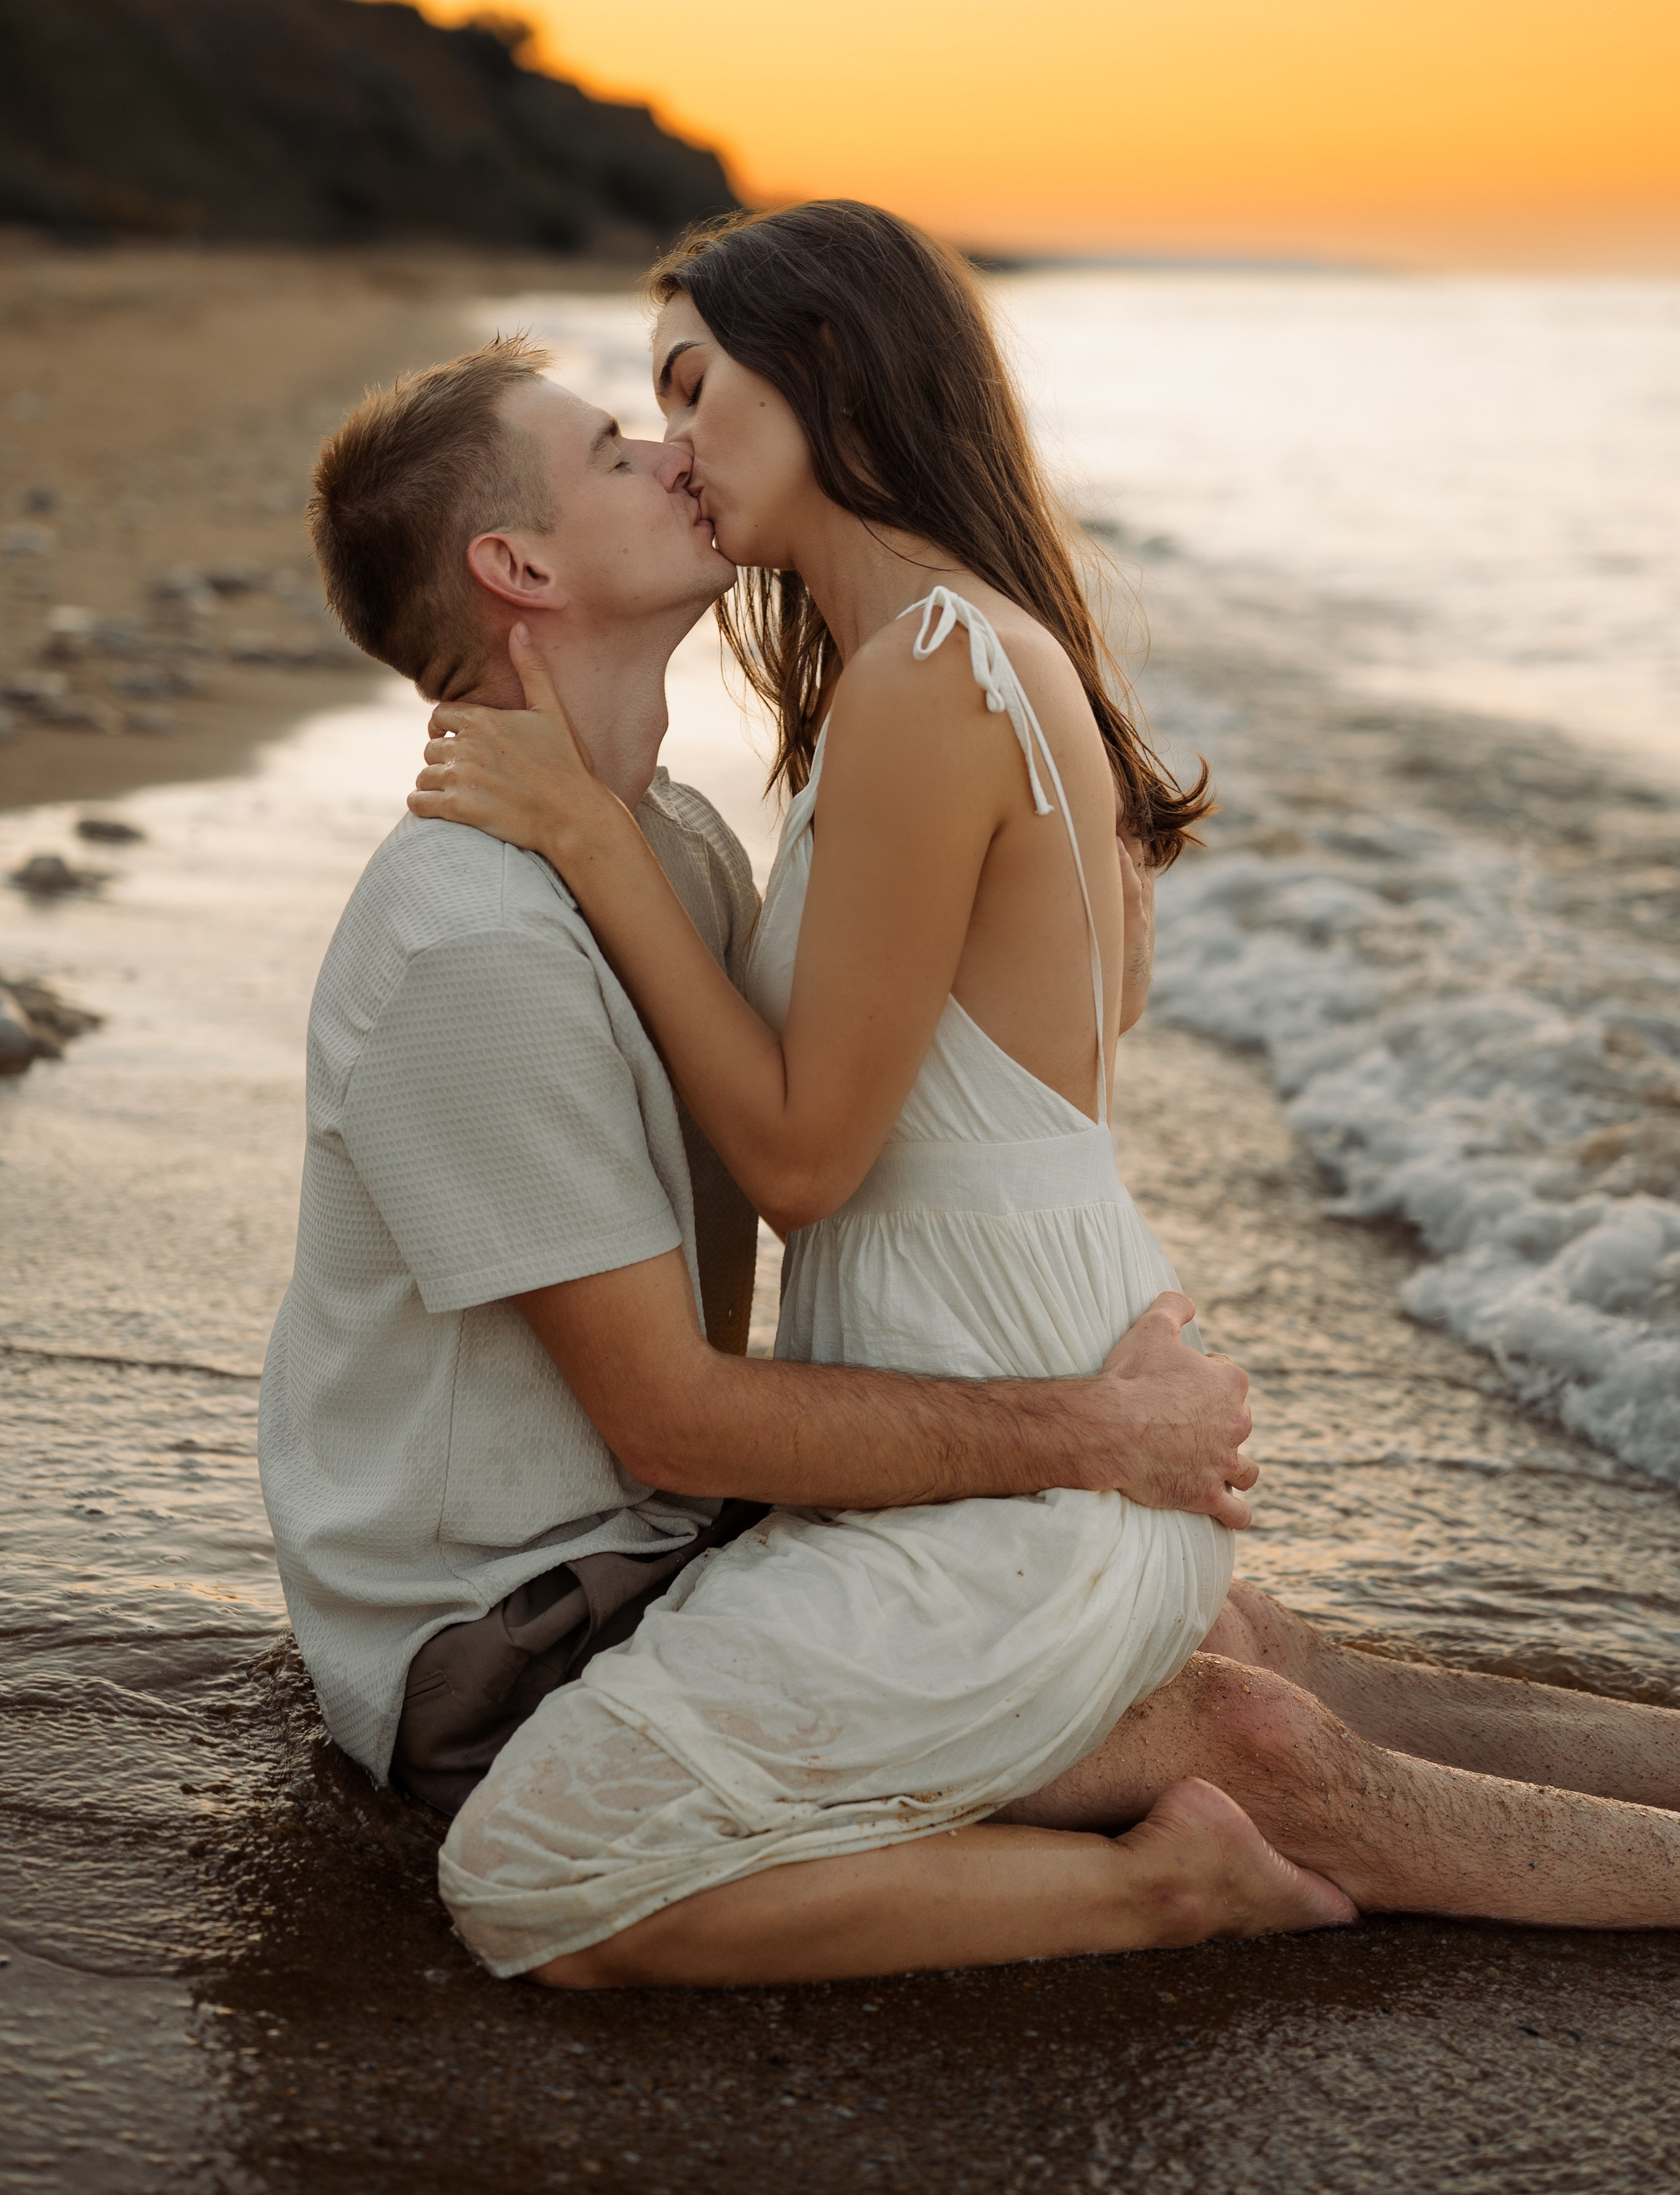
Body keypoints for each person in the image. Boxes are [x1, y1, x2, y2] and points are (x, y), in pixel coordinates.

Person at [413, 199, 1680, 1987]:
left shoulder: (937, 674)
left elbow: (801, 1159)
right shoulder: (956, 657)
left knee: (537, 1877)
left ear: (831, 364)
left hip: (1013, 1488)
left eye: (696, 390)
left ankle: (1177, 1880)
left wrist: (583, 834)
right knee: (1268, 1686)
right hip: (1041, 1420)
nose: (677, 449)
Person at [260, 329, 1320, 1951]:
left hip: (664, 1537)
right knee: (1204, 1710)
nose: (676, 452)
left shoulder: (669, 853)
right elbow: (678, 1416)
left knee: (1225, 1635)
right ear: (516, 563)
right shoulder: (469, 936)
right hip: (511, 1633)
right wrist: (1096, 1433)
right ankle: (1159, 1889)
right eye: (617, 448)